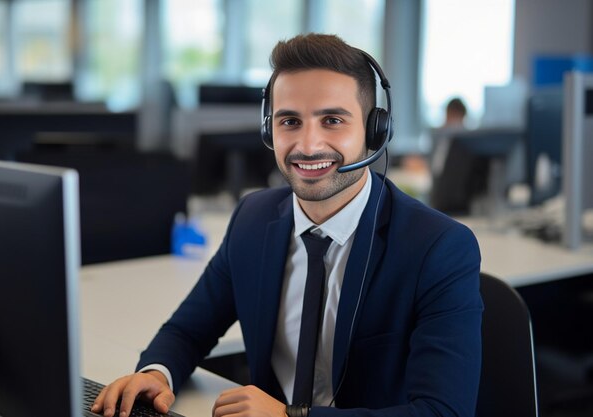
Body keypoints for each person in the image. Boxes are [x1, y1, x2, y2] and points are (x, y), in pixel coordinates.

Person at [91, 34, 483, 417]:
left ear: (374, 130)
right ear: (268, 130)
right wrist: (158, 373)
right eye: (290, 121)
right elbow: (187, 331)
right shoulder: (253, 218)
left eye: (332, 120)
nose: (308, 145)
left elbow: (443, 410)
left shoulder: (438, 247)